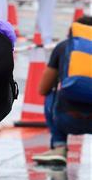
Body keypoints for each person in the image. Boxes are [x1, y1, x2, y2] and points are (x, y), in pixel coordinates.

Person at [32, 16, 92, 165]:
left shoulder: (63, 47)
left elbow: (42, 88)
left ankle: (59, 147)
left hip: (68, 118)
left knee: (50, 94)